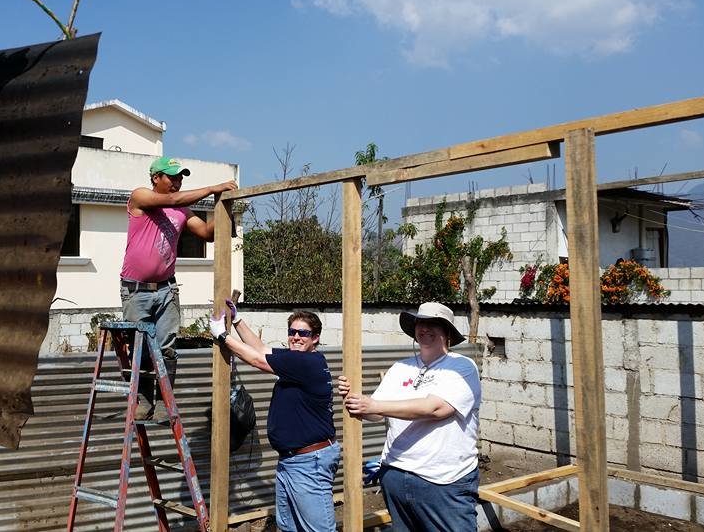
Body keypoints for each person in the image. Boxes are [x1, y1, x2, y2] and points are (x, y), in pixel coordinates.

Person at [339, 302, 481, 532]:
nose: (424, 329)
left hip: (442, 481)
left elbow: (436, 408)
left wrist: (374, 404)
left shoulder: (462, 367)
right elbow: (375, 414)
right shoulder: (400, 368)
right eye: (420, 323)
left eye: (433, 324)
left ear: (447, 333)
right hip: (395, 474)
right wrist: (355, 400)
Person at [121, 156, 236, 419]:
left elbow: (207, 233)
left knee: (167, 347)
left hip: (166, 289)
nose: (177, 182)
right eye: (172, 177)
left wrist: (224, 205)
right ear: (155, 178)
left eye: (180, 177)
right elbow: (173, 200)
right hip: (136, 289)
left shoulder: (182, 211)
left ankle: (163, 400)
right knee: (140, 347)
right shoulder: (140, 197)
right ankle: (142, 400)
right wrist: (212, 189)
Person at [210, 301, 339, 532]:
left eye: (303, 333)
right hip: (291, 461)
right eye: (292, 332)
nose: (296, 337)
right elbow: (261, 349)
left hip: (310, 462)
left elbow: (257, 360)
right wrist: (238, 321)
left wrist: (222, 336)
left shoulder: (307, 362)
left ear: (315, 338)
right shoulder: (295, 359)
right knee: (289, 527)